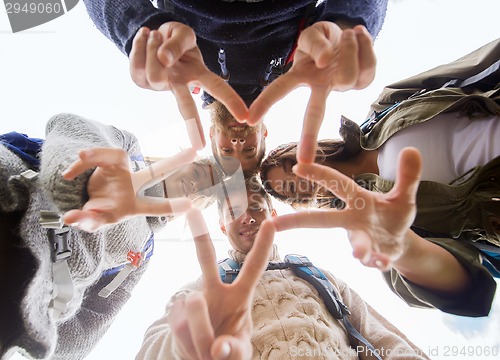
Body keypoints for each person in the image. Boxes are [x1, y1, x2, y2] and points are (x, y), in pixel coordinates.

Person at [260, 38, 500, 317]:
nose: (299, 178)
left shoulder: (384, 107)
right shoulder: (368, 220)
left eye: (290, 165)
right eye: (291, 188)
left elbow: (472, 69)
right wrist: (404, 248)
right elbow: (470, 293)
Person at [0, 113, 223, 359]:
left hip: (26, 302)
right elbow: (69, 125)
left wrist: (41, 341)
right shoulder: (129, 152)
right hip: (12, 196)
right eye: (198, 175)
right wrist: (81, 184)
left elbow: (95, 317)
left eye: (203, 191)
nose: (194, 185)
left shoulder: (142, 254)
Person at [135, 177, 430, 360]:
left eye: (257, 208)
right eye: (234, 211)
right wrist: (184, 346)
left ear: (274, 216)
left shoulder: (319, 276)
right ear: (223, 225)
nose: (248, 217)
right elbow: (151, 349)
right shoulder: (205, 288)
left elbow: (381, 338)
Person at [82, 0, 385, 169]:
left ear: (212, 135)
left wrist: (137, 28)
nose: (238, 144)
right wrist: (349, 23)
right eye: (250, 150)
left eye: (227, 151)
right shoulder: (303, 62)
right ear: (263, 133)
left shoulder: (179, 68)